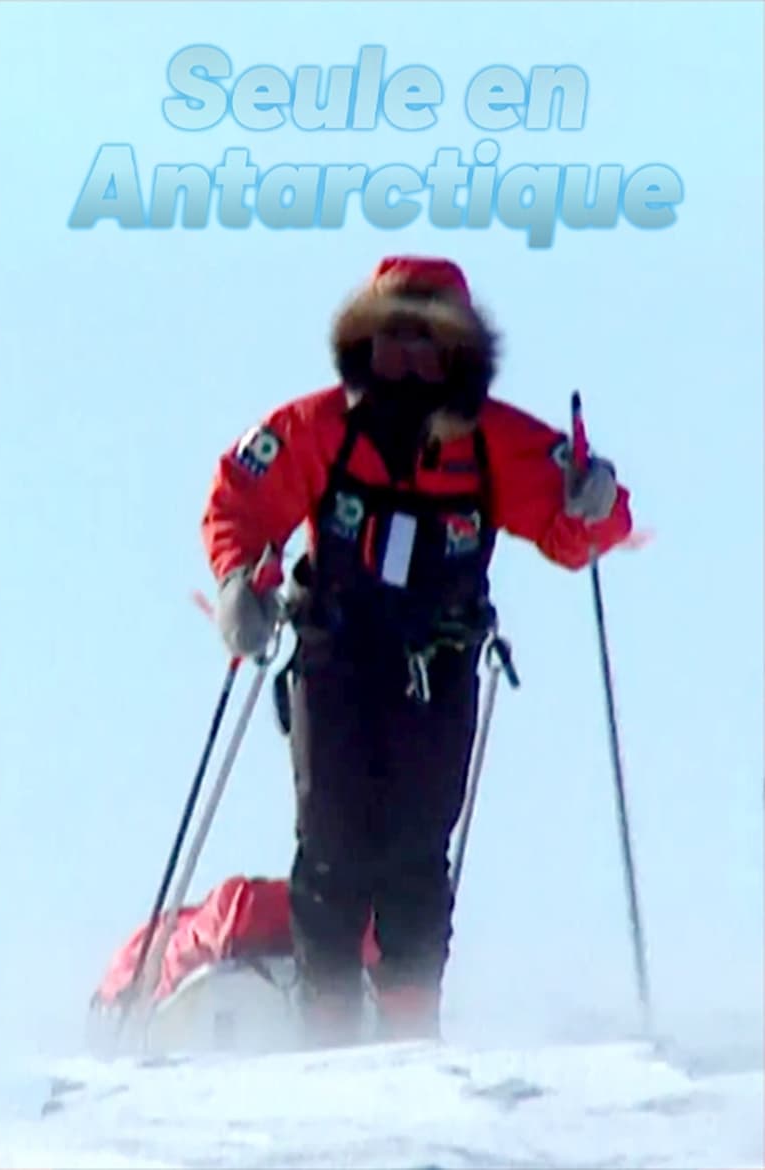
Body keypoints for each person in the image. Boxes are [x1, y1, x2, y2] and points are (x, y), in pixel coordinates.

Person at [201, 255, 633, 1047]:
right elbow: (241, 495)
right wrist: (236, 582)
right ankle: (323, 1042)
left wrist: (594, 499)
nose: (408, 361)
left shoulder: (498, 444)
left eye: (426, 344)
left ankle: (409, 1044)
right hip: (335, 664)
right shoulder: (317, 429)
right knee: (330, 848)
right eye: (393, 341)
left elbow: (576, 532)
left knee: (416, 859)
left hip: (439, 673)